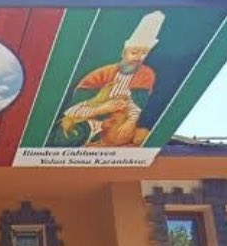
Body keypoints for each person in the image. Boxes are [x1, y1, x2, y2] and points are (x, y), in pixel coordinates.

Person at [50, 11, 164, 148]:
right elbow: (73, 110)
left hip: (111, 129)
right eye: (134, 53)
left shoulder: (143, 77)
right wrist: (101, 109)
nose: (138, 58)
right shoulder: (102, 75)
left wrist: (130, 121)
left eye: (144, 53)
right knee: (66, 137)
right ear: (124, 52)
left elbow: (134, 107)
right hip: (86, 120)